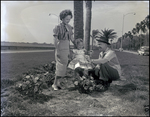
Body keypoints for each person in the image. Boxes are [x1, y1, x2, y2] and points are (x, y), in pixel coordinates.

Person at [52, 9, 75, 90]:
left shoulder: (69, 27)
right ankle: (55, 84)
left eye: (69, 19)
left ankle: (58, 83)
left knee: (64, 66)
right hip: (60, 46)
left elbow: (72, 39)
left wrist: (78, 44)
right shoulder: (57, 27)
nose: (68, 21)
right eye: (66, 19)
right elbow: (55, 39)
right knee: (60, 66)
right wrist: (57, 48)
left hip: (67, 47)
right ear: (62, 18)